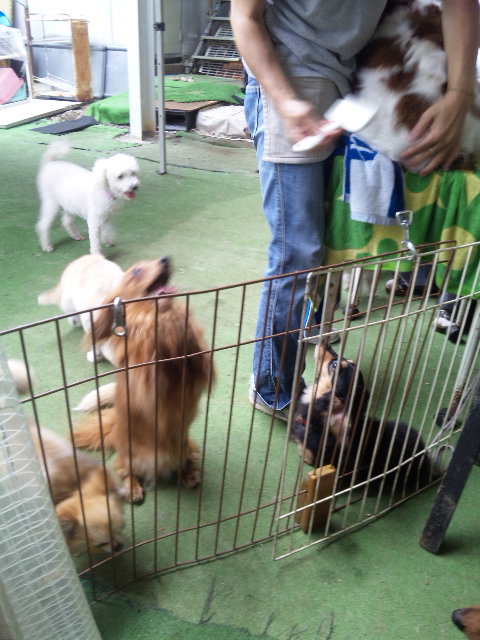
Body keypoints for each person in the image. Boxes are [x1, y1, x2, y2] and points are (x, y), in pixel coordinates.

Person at [230, 0, 480, 421]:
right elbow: (245, 16)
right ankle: (271, 385)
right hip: (289, 73)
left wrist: (459, 93)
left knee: (328, 241)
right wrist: (286, 101)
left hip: (352, 82)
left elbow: (459, 5)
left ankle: (316, 338)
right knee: (298, 251)